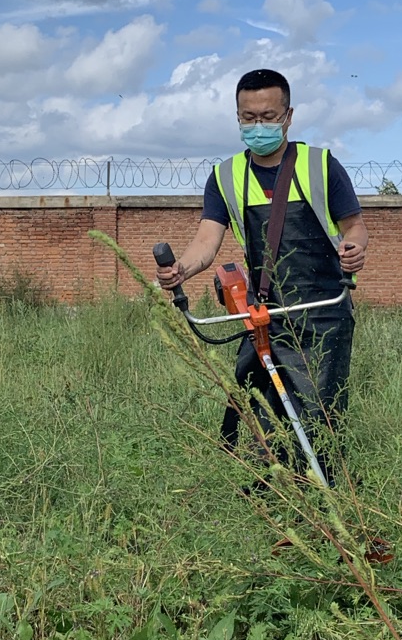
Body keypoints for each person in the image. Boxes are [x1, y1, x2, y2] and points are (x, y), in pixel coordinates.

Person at [156, 67, 367, 480]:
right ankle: (270, 498)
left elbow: (354, 226)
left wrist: (355, 249)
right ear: (237, 117)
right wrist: (183, 268)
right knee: (261, 411)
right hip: (266, 313)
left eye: (268, 117)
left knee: (320, 416)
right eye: (249, 118)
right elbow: (207, 240)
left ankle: (329, 496)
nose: (259, 125)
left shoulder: (321, 165)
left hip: (323, 312)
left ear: (288, 116)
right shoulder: (225, 177)